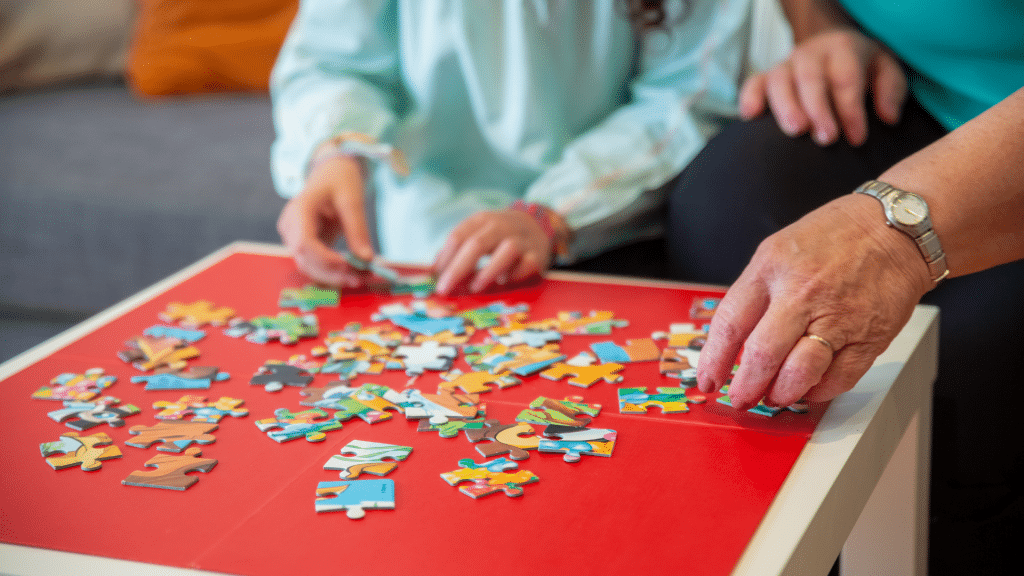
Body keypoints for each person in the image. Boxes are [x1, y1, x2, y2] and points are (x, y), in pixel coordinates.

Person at [663, 0, 1024, 573]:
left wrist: (887, 239)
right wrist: (824, 26)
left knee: (976, 349)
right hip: (906, 90)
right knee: (723, 207)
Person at [270, 0, 755, 296]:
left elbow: (687, 96)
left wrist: (552, 212)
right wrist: (335, 151)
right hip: (426, 252)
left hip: (608, 236)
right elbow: (333, 61)